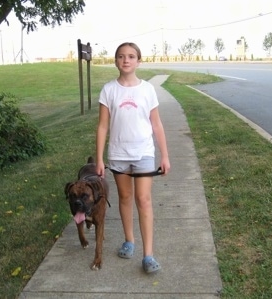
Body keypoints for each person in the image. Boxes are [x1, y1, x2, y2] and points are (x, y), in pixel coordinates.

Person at [96, 42, 170, 274]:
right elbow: (102, 126)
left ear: (139, 61)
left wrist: (165, 156)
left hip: (144, 153)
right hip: (118, 155)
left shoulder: (147, 89)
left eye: (131, 56)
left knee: (143, 199)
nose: (126, 60)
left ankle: (148, 255)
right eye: (121, 56)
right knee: (125, 198)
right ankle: (130, 240)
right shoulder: (109, 90)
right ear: (116, 61)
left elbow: (156, 124)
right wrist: (99, 158)